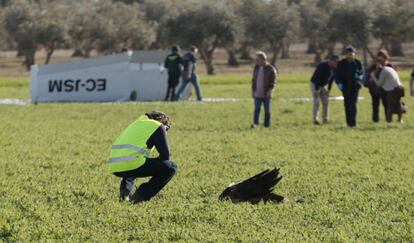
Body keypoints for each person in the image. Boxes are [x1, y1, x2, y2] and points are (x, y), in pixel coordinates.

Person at [108, 111, 177, 203]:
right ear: (161, 121)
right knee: (171, 167)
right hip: (131, 163)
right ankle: (139, 197)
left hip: (114, 165)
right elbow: (166, 156)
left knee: (132, 170)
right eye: (166, 130)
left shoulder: (137, 124)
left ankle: (125, 196)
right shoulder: (157, 125)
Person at [363, 50, 395, 122]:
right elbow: (368, 75)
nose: (381, 59)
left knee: (386, 104)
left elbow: (392, 75)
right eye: (379, 57)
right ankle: (375, 120)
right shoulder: (373, 66)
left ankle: (388, 119)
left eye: (383, 57)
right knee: (375, 105)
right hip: (374, 89)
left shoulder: (389, 66)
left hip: (386, 88)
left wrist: (382, 68)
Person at [336, 46, 364, 127]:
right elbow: (337, 74)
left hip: (355, 86)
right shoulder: (341, 63)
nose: (350, 55)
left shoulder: (357, 63)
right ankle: (348, 122)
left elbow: (361, 72)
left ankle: (353, 122)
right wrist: (339, 84)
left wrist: (359, 80)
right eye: (348, 54)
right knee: (347, 104)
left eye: (352, 54)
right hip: (345, 86)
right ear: (346, 54)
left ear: (354, 54)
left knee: (353, 104)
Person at [251, 51, 277, 128]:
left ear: (263, 59)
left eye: (258, 60)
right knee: (257, 109)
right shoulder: (256, 68)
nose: (256, 61)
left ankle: (267, 125)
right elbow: (253, 80)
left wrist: (270, 90)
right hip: (257, 93)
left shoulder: (270, 69)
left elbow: (273, 81)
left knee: (267, 111)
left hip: (266, 93)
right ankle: (256, 124)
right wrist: (253, 91)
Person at [310, 55, 339, 125]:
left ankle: (325, 119)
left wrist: (329, 89)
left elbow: (332, 79)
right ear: (331, 61)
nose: (336, 64)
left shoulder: (334, 68)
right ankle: (315, 119)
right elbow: (317, 77)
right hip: (315, 84)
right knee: (317, 102)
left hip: (323, 85)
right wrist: (316, 90)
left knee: (326, 102)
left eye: (337, 62)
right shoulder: (322, 65)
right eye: (335, 62)